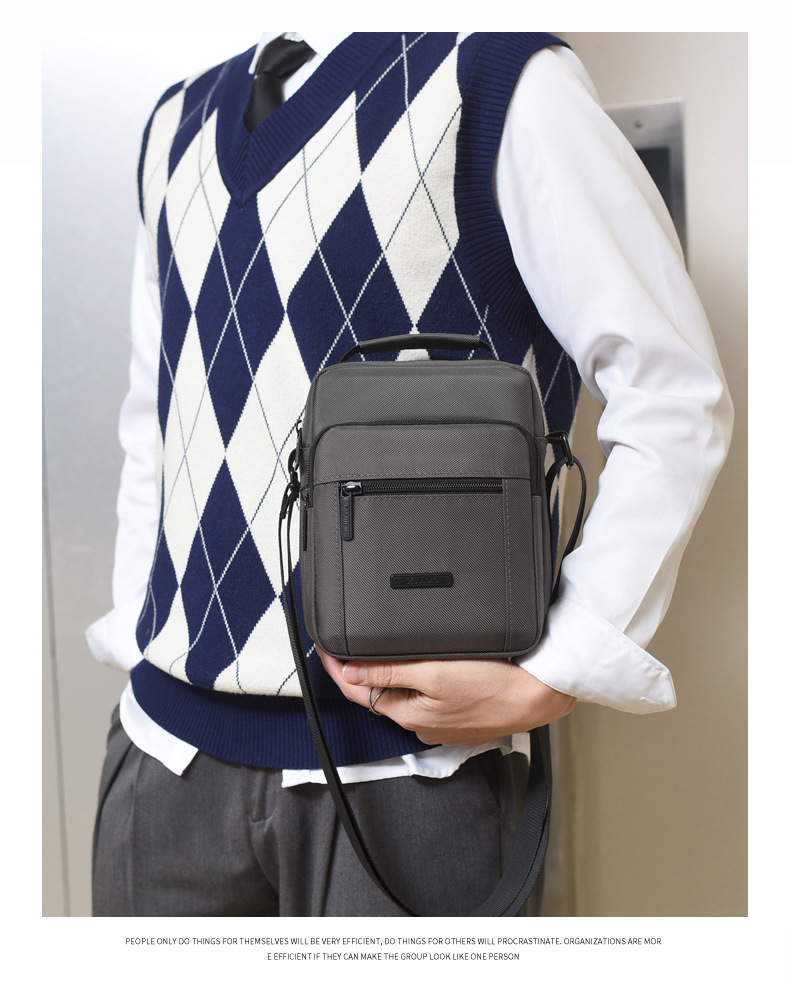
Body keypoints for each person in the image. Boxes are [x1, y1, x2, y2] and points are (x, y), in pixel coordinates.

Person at [87, 31, 733, 917]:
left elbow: (672, 389)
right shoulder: (175, 122)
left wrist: (561, 665)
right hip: (164, 763)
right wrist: (139, 635)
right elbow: (156, 413)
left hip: (411, 773)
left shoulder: (498, 78)